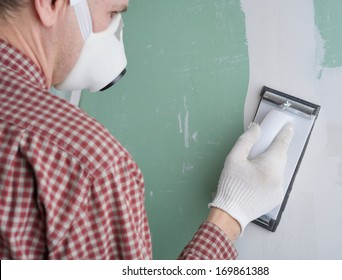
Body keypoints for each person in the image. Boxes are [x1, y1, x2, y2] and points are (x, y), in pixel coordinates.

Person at [0, 0, 293, 259]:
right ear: (50, 4)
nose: (116, 30)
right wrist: (231, 214)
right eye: (112, 12)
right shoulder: (86, 167)